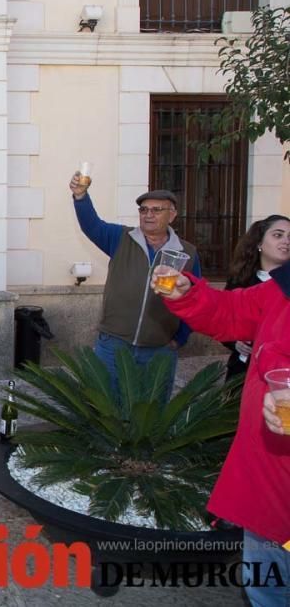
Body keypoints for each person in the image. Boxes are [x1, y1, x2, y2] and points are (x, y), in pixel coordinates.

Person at [155, 263, 290, 606]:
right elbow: (232, 311)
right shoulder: (282, 288)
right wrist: (189, 294)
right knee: (268, 590)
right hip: (269, 489)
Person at [69, 172, 201, 396]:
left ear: (172, 215)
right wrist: (81, 197)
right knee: (105, 406)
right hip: (113, 344)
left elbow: (196, 299)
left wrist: (180, 339)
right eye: (143, 210)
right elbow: (92, 226)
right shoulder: (121, 238)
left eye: (156, 210)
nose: (148, 215)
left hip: (160, 348)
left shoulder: (187, 253)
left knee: (152, 412)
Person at [222, 214, 290, 381]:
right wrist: (235, 342)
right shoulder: (240, 281)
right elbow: (223, 320)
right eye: (278, 235)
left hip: (282, 374)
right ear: (259, 243)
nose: (286, 241)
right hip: (242, 372)